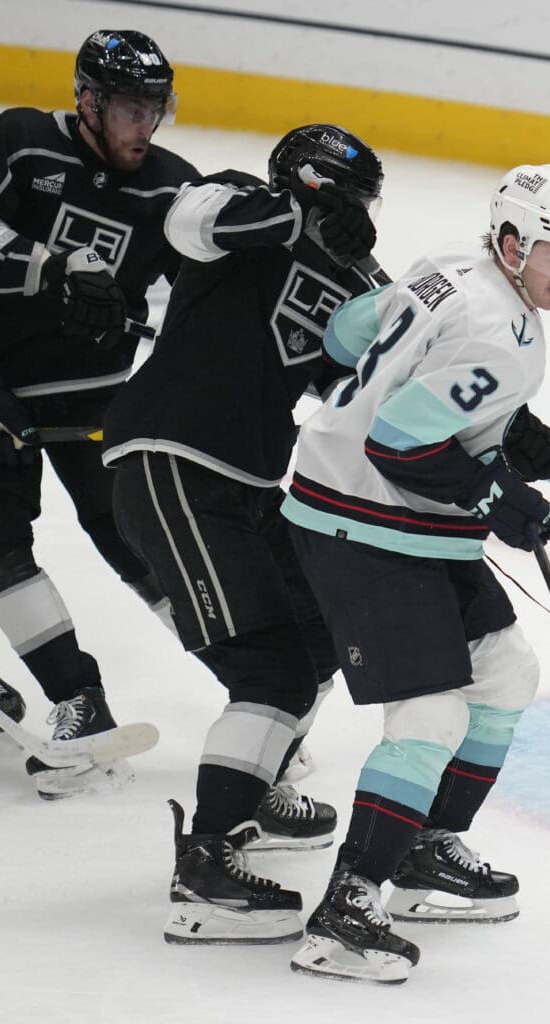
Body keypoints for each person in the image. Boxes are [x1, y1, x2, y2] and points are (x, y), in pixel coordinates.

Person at [278, 163, 550, 983]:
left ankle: (421, 851)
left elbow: (349, 338)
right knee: (428, 718)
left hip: (402, 516)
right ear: (512, 241)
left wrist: (501, 430)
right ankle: (347, 910)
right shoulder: (505, 334)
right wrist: (497, 492)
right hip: (365, 520)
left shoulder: (445, 263)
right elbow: (400, 445)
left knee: (506, 674)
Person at [100, 124, 386, 945]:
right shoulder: (234, 198)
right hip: (175, 463)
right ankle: (206, 866)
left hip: (252, 490)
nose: (358, 214)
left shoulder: (341, 284)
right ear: (309, 184)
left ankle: (251, 782)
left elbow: (361, 392)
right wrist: (301, 219)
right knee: (269, 667)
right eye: (348, 198)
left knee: (321, 632)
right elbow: (186, 223)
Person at [0, 30, 198, 798]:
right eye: (132, 109)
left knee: (135, 534)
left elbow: (204, 295)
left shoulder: (173, 186)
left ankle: (269, 688)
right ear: (88, 101)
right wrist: (54, 267)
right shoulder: (23, 142)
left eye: (155, 110)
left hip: (97, 397)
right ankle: (78, 698)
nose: (146, 127)